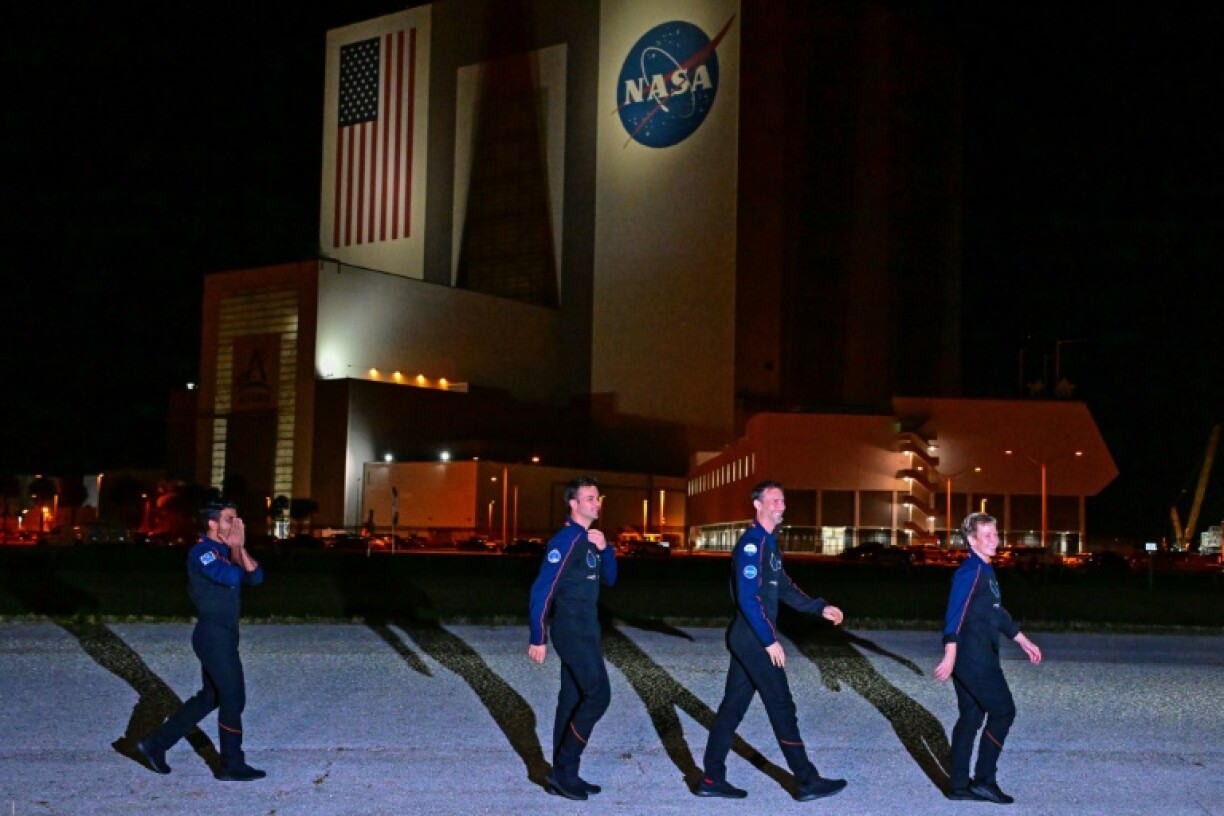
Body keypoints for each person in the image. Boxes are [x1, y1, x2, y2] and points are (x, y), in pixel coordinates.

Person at [696, 480, 848, 801]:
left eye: (783, 501)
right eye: (775, 501)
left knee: (732, 709)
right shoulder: (753, 544)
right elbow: (749, 598)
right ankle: (806, 781)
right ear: (758, 505)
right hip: (753, 638)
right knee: (781, 706)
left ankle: (711, 779)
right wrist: (769, 641)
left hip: (748, 637)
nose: (781, 506)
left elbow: (784, 588)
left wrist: (819, 607)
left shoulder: (769, 544)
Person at [136, 501, 266, 781]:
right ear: (212, 523)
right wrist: (235, 550)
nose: (236, 525)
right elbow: (229, 575)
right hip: (212, 635)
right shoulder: (202, 551)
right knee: (233, 698)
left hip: (225, 634)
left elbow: (256, 577)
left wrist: (238, 548)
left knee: (211, 697)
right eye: (230, 519)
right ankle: (231, 764)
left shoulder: (228, 549)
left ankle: (155, 744)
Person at [934, 512, 1042, 804]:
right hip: (974, 658)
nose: (995, 540)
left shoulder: (985, 569)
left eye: (996, 534)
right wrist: (950, 653)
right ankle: (984, 780)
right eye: (988, 536)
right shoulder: (970, 571)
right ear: (972, 540)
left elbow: (995, 611)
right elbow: (954, 613)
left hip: (974, 655)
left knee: (971, 716)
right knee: (1003, 711)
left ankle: (958, 785)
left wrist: (1021, 639)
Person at [527, 476, 617, 801]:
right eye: (590, 498)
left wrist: (606, 549)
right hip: (571, 631)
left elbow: (610, 579)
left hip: (588, 630)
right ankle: (564, 768)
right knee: (599, 696)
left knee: (572, 699)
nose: (596, 503)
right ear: (574, 504)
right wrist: (538, 636)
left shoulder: (590, 539)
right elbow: (542, 589)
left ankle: (563, 774)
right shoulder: (566, 540)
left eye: (598, 497)